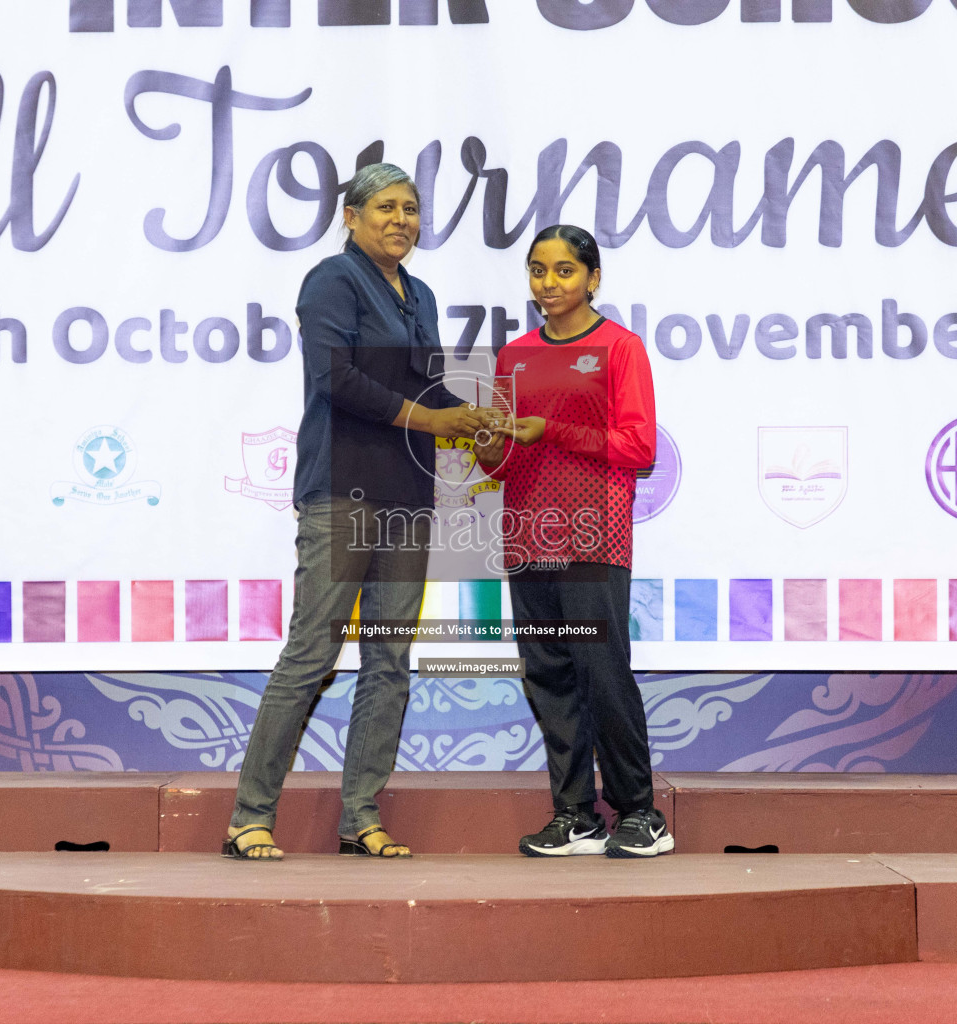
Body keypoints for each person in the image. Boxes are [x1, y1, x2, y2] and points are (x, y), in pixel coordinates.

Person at [224, 164, 494, 860]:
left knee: (389, 662)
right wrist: (430, 419)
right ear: (350, 216)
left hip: (407, 498)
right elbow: (335, 379)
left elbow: (427, 389)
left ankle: (361, 818)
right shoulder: (332, 281)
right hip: (341, 491)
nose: (402, 219)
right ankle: (249, 817)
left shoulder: (422, 293)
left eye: (411, 208)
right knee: (311, 654)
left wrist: (471, 420)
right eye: (385, 207)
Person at [474, 224, 671, 858]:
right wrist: (485, 444)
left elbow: (638, 448)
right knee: (549, 676)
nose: (548, 283)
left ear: (593, 277)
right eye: (537, 270)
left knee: (601, 672)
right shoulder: (514, 355)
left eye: (563, 271)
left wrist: (552, 430)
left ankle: (640, 813)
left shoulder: (620, 348)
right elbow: (501, 464)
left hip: (594, 535)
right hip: (527, 536)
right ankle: (575, 815)